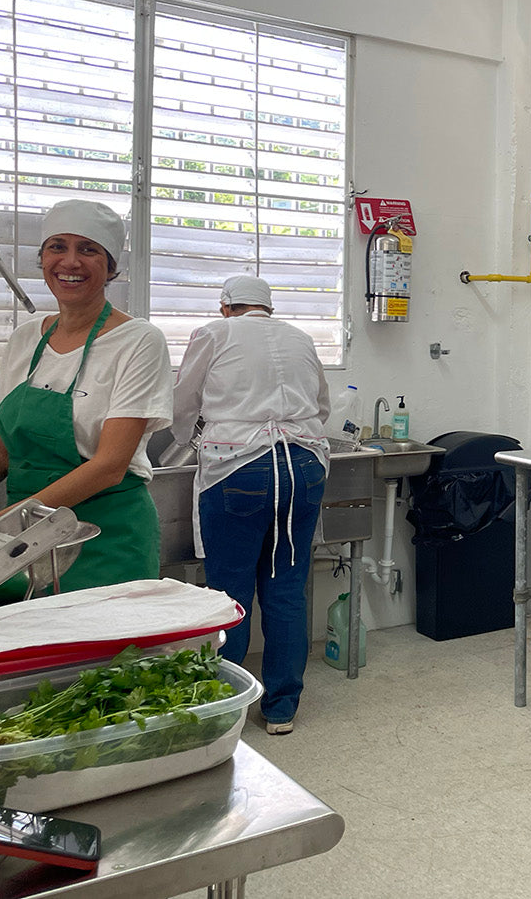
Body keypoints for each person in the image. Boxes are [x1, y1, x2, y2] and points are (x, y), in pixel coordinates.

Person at [0, 199, 173, 594]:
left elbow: (109, 465)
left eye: (88, 250)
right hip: (21, 545)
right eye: (57, 247)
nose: (70, 262)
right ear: (42, 260)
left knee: (102, 654)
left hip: (106, 538)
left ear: (110, 267)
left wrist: (0, 525)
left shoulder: (139, 341)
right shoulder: (26, 337)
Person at [171, 274, 330, 735]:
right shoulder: (299, 337)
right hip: (304, 465)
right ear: (268, 309)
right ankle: (281, 710)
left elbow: (183, 400)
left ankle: (227, 708)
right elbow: (320, 406)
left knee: (230, 593)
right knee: (286, 589)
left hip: (239, 467)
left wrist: (187, 439)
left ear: (226, 307)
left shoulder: (214, 333)